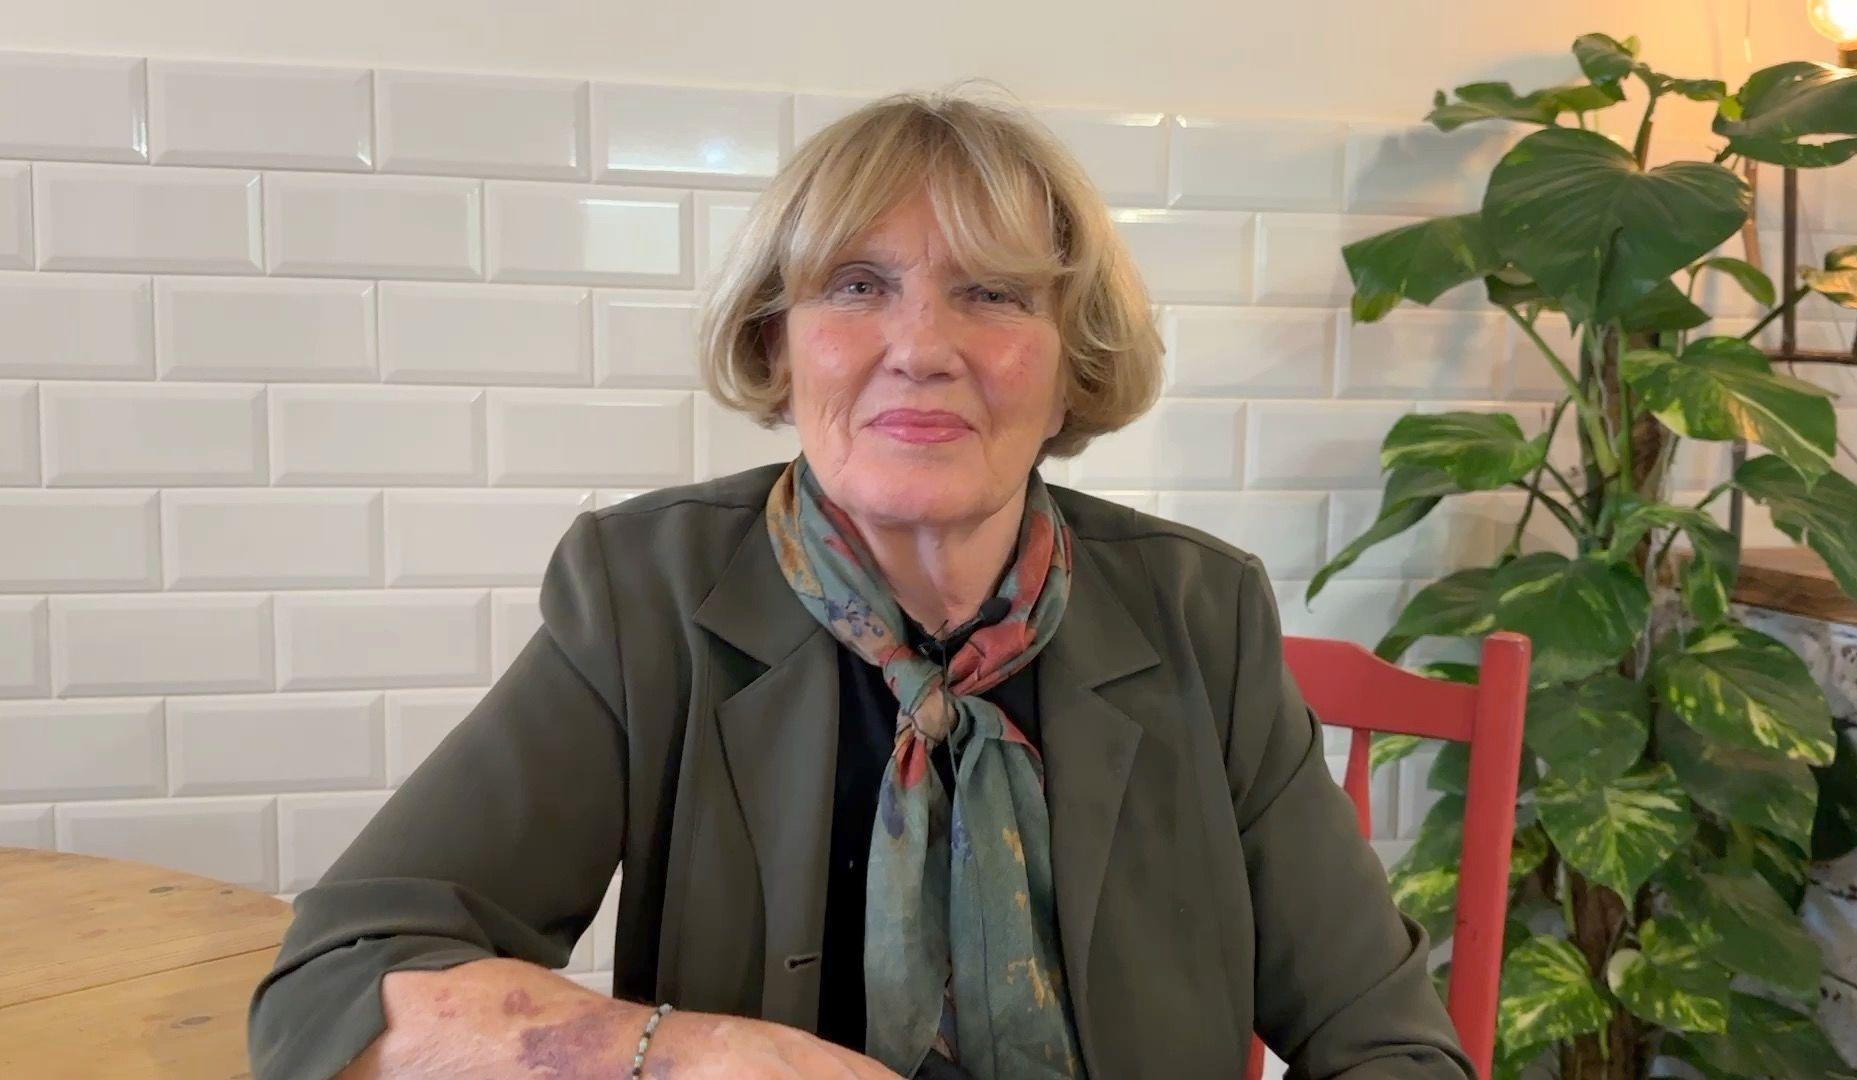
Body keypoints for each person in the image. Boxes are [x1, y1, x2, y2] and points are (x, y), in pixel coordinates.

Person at [247, 87, 1472, 1080]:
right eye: (855, 285)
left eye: (991, 293)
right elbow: (342, 982)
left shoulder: (1206, 617)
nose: (922, 347)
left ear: (1072, 363)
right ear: (777, 346)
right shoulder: (648, 594)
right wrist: (697, 1059)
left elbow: (1392, 1045)